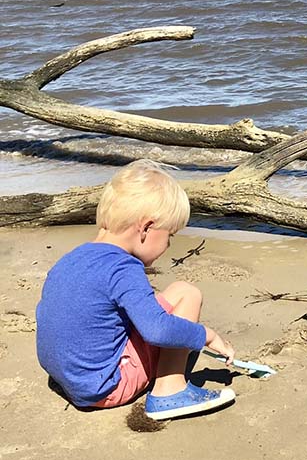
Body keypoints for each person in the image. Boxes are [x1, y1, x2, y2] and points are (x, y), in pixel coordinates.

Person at [36, 159, 237, 420]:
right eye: (169, 236)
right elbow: (158, 330)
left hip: (68, 378)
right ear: (146, 228)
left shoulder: (72, 259)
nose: (167, 246)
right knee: (188, 293)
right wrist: (207, 335)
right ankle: (170, 392)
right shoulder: (123, 267)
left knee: (164, 295)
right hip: (105, 387)